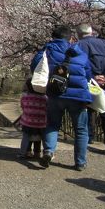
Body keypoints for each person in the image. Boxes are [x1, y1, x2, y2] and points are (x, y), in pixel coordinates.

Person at [31, 25, 93, 170]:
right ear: (70, 38)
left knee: (52, 124)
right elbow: (88, 73)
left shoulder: (47, 50)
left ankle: (48, 151)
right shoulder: (80, 53)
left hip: (55, 93)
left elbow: (35, 66)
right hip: (78, 96)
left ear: (53, 37)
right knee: (81, 130)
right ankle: (80, 162)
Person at [76, 23, 105, 154]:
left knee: (87, 108)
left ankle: (88, 137)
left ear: (78, 34)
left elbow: (78, 64)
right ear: (91, 32)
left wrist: (94, 77)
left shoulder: (79, 45)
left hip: (88, 81)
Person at [18, 78, 47, 159]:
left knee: (26, 138)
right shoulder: (45, 98)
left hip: (27, 121)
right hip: (41, 122)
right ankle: (39, 153)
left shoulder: (24, 97)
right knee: (41, 138)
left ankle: (24, 153)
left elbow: (23, 107)